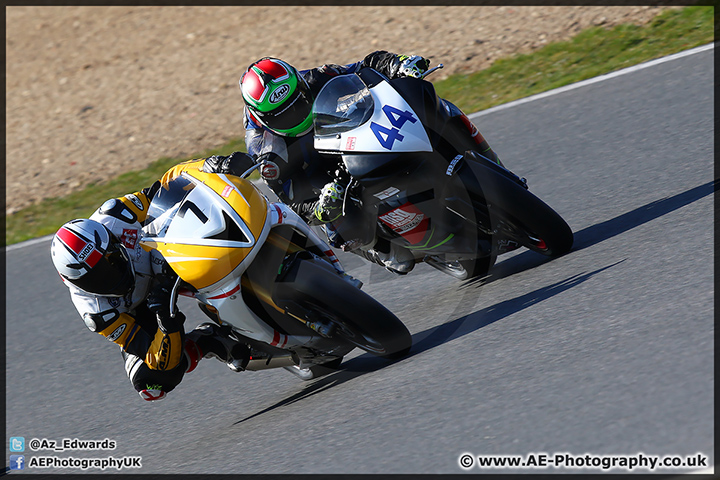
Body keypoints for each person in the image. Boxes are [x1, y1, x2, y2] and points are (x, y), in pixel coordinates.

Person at [239, 51, 500, 275]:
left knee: (440, 108)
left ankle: (489, 164)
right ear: (264, 119)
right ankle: (386, 250)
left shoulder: (315, 77)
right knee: (351, 230)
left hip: (347, 133)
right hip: (318, 172)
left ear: (300, 87)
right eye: (284, 114)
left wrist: (398, 63)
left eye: (299, 103)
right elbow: (292, 201)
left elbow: (364, 67)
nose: (295, 113)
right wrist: (320, 206)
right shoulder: (265, 151)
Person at [51, 152, 257, 402]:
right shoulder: (97, 313)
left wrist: (211, 165)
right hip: (144, 308)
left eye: (111, 261)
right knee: (152, 382)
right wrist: (165, 320)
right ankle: (208, 341)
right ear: (74, 284)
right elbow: (148, 351)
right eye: (97, 279)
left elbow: (168, 184)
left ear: (112, 240)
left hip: (164, 254)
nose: (111, 277)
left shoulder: (116, 215)